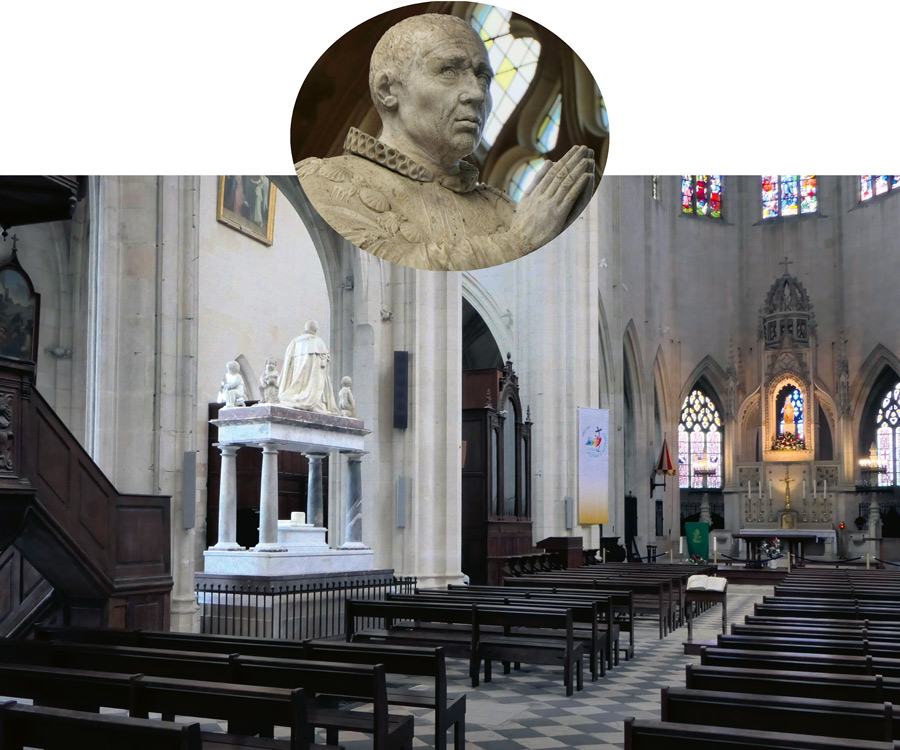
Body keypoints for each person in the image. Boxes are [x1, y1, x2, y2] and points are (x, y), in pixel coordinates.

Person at [296, 13, 595, 272]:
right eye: (449, 71)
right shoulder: (316, 183)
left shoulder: (507, 210)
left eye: (483, 77)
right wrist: (520, 242)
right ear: (388, 89)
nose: (477, 94)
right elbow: (379, 271)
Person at [278, 321, 339, 413]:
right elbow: (323, 361)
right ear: (315, 329)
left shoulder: (295, 341)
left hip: (296, 375)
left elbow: (288, 363)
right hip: (312, 377)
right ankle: (314, 400)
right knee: (312, 388)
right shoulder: (317, 341)